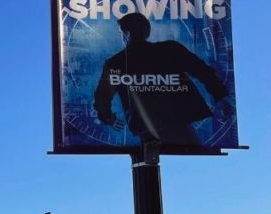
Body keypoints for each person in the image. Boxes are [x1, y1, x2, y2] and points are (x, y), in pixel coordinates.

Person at [93, 12, 232, 147]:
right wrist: (220, 96)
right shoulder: (171, 49)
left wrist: (108, 118)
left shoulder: (115, 62)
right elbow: (202, 70)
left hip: (147, 128)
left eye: (120, 33)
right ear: (146, 32)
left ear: (127, 34)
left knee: (149, 157)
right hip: (179, 121)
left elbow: (102, 97)